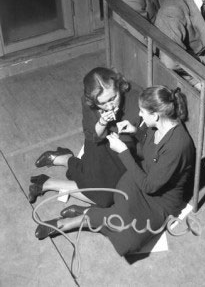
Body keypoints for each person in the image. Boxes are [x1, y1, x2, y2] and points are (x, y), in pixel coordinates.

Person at [34, 86, 195, 257]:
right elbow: (150, 148)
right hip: (142, 178)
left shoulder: (178, 145)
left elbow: (150, 187)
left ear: (155, 115)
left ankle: (72, 220)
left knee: (128, 241)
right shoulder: (161, 123)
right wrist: (136, 132)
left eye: (142, 112)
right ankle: (82, 215)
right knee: (114, 199)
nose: (139, 115)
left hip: (160, 201)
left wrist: (124, 152)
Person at [29, 67, 141, 207]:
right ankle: (61, 167)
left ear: (119, 86)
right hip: (100, 145)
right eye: (103, 103)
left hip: (126, 151)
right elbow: (91, 136)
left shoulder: (137, 98)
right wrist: (102, 122)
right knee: (102, 195)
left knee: (110, 197)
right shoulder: (89, 102)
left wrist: (133, 131)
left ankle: (56, 173)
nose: (110, 105)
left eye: (113, 98)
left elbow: (147, 138)